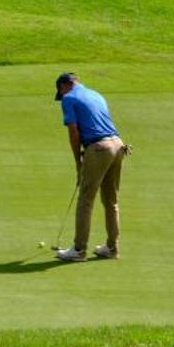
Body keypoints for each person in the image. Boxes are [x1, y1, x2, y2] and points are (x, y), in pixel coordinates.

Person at [53, 71, 125, 262]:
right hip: (118, 145)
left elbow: (74, 133)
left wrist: (79, 162)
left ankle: (79, 250)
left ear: (63, 86)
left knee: (86, 199)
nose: (62, 97)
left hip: (99, 148)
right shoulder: (96, 94)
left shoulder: (69, 98)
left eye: (60, 92)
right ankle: (111, 247)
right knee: (111, 200)